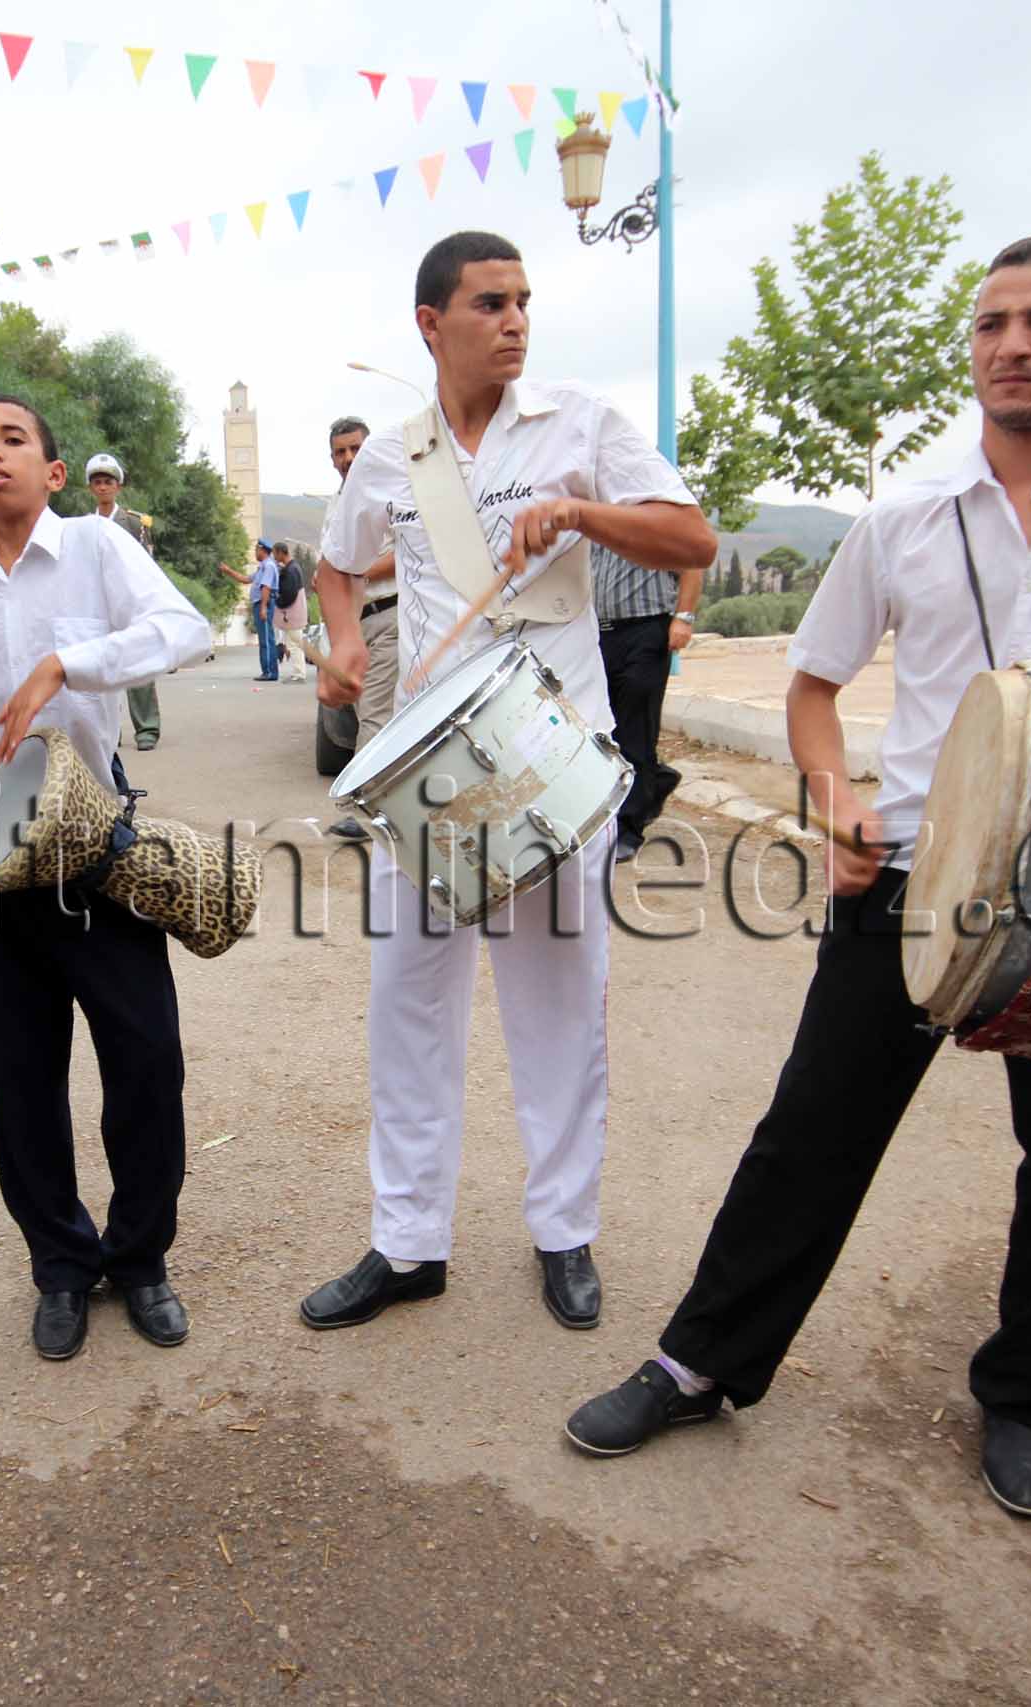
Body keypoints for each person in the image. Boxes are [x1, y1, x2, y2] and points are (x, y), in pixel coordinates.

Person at [563, 234, 1031, 1521]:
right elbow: (814, 686)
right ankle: (700, 1361)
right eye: (993, 322)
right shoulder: (899, 521)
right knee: (811, 1131)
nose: (1011, 344)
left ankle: (1023, 1398)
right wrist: (832, 801)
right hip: (907, 876)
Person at [300, 230, 715, 1337]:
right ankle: (407, 1245)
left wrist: (581, 513)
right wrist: (340, 642)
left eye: (525, 300)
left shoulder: (580, 423)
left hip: (552, 760)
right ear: (433, 325)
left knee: (558, 1008)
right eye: (491, 303)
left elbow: (692, 539)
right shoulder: (390, 457)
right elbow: (333, 564)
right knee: (408, 1009)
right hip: (432, 772)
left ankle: (563, 1230)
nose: (517, 320)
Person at [0, 396, 213, 1360]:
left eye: (12, 439)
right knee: (20, 1075)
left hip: (94, 842)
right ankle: (60, 1264)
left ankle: (140, 1260)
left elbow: (188, 628)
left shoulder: (98, 549)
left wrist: (68, 661)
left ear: (53, 473)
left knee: (146, 1059)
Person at [593, 541, 702, 861]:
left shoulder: (647, 525)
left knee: (636, 729)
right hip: (600, 635)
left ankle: (628, 829)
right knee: (605, 730)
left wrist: (683, 618)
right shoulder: (596, 529)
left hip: (645, 630)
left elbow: (692, 563)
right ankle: (657, 779)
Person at [321, 416, 400, 842]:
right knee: (365, 712)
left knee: (375, 715)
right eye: (340, 451)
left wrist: (352, 569)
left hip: (392, 615)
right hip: (357, 622)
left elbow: (400, 554)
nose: (348, 458)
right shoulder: (336, 505)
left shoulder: (395, 491)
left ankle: (366, 812)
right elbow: (331, 567)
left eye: (355, 449)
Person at [86, 453, 163, 750]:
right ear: (91, 488)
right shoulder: (85, 525)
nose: (103, 487)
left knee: (137, 665)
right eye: (98, 482)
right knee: (103, 669)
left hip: (130, 603)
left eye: (108, 482)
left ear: (118, 486)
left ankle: (147, 729)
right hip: (98, 604)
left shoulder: (134, 523)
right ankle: (108, 731)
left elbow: (147, 566)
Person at [272, 542, 309, 682]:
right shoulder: (292, 567)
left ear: (281, 553)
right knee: (293, 643)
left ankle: (299, 674)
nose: (274, 557)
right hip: (295, 611)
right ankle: (298, 673)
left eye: (275, 553)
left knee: (294, 644)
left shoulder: (291, 570)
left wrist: (278, 601)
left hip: (293, 612)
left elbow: (289, 593)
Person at [246, 540, 280, 680]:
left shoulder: (269, 566)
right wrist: (228, 571)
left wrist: (264, 607)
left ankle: (270, 672)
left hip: (264, 603)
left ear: (263, 550)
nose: (255, 553)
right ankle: (266, 671)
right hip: (260, 603)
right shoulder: (262, 567)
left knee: (267, 639)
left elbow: (266, 587)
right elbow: (246, 579)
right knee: (264, 639)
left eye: (256, 550)